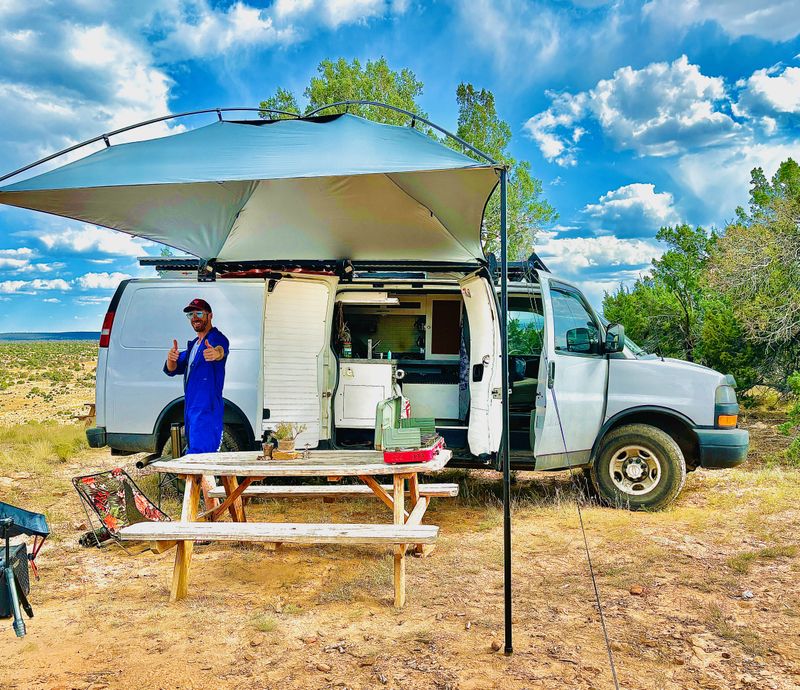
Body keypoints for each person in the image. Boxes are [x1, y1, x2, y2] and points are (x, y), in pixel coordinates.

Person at [164, 298, 229, 454]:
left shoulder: (216, 338)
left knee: (200, 457)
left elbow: (221, 349)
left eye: (199, 313)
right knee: (197, 456)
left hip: (207, 409)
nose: (195, 318)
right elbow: (172, 369)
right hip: (191, 409)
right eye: (191, 315)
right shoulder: (194, 345)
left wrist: (216, 353)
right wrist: (171, 358)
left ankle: (197, 478)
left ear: (210, 315)